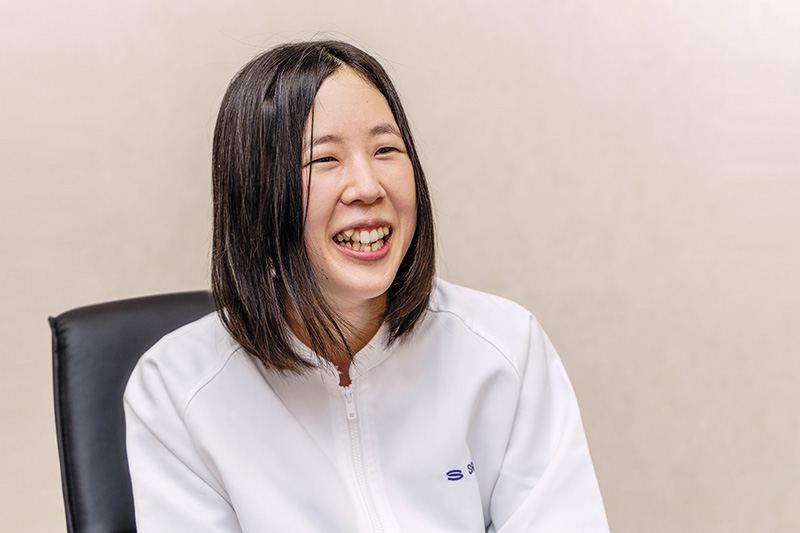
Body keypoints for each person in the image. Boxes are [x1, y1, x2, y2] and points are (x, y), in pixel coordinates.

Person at [124, 40, 609, 532]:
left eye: (385, 150)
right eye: (324, 159)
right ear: (257, 194)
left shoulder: (505, 347)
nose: (367, 187)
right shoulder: (177, 388)